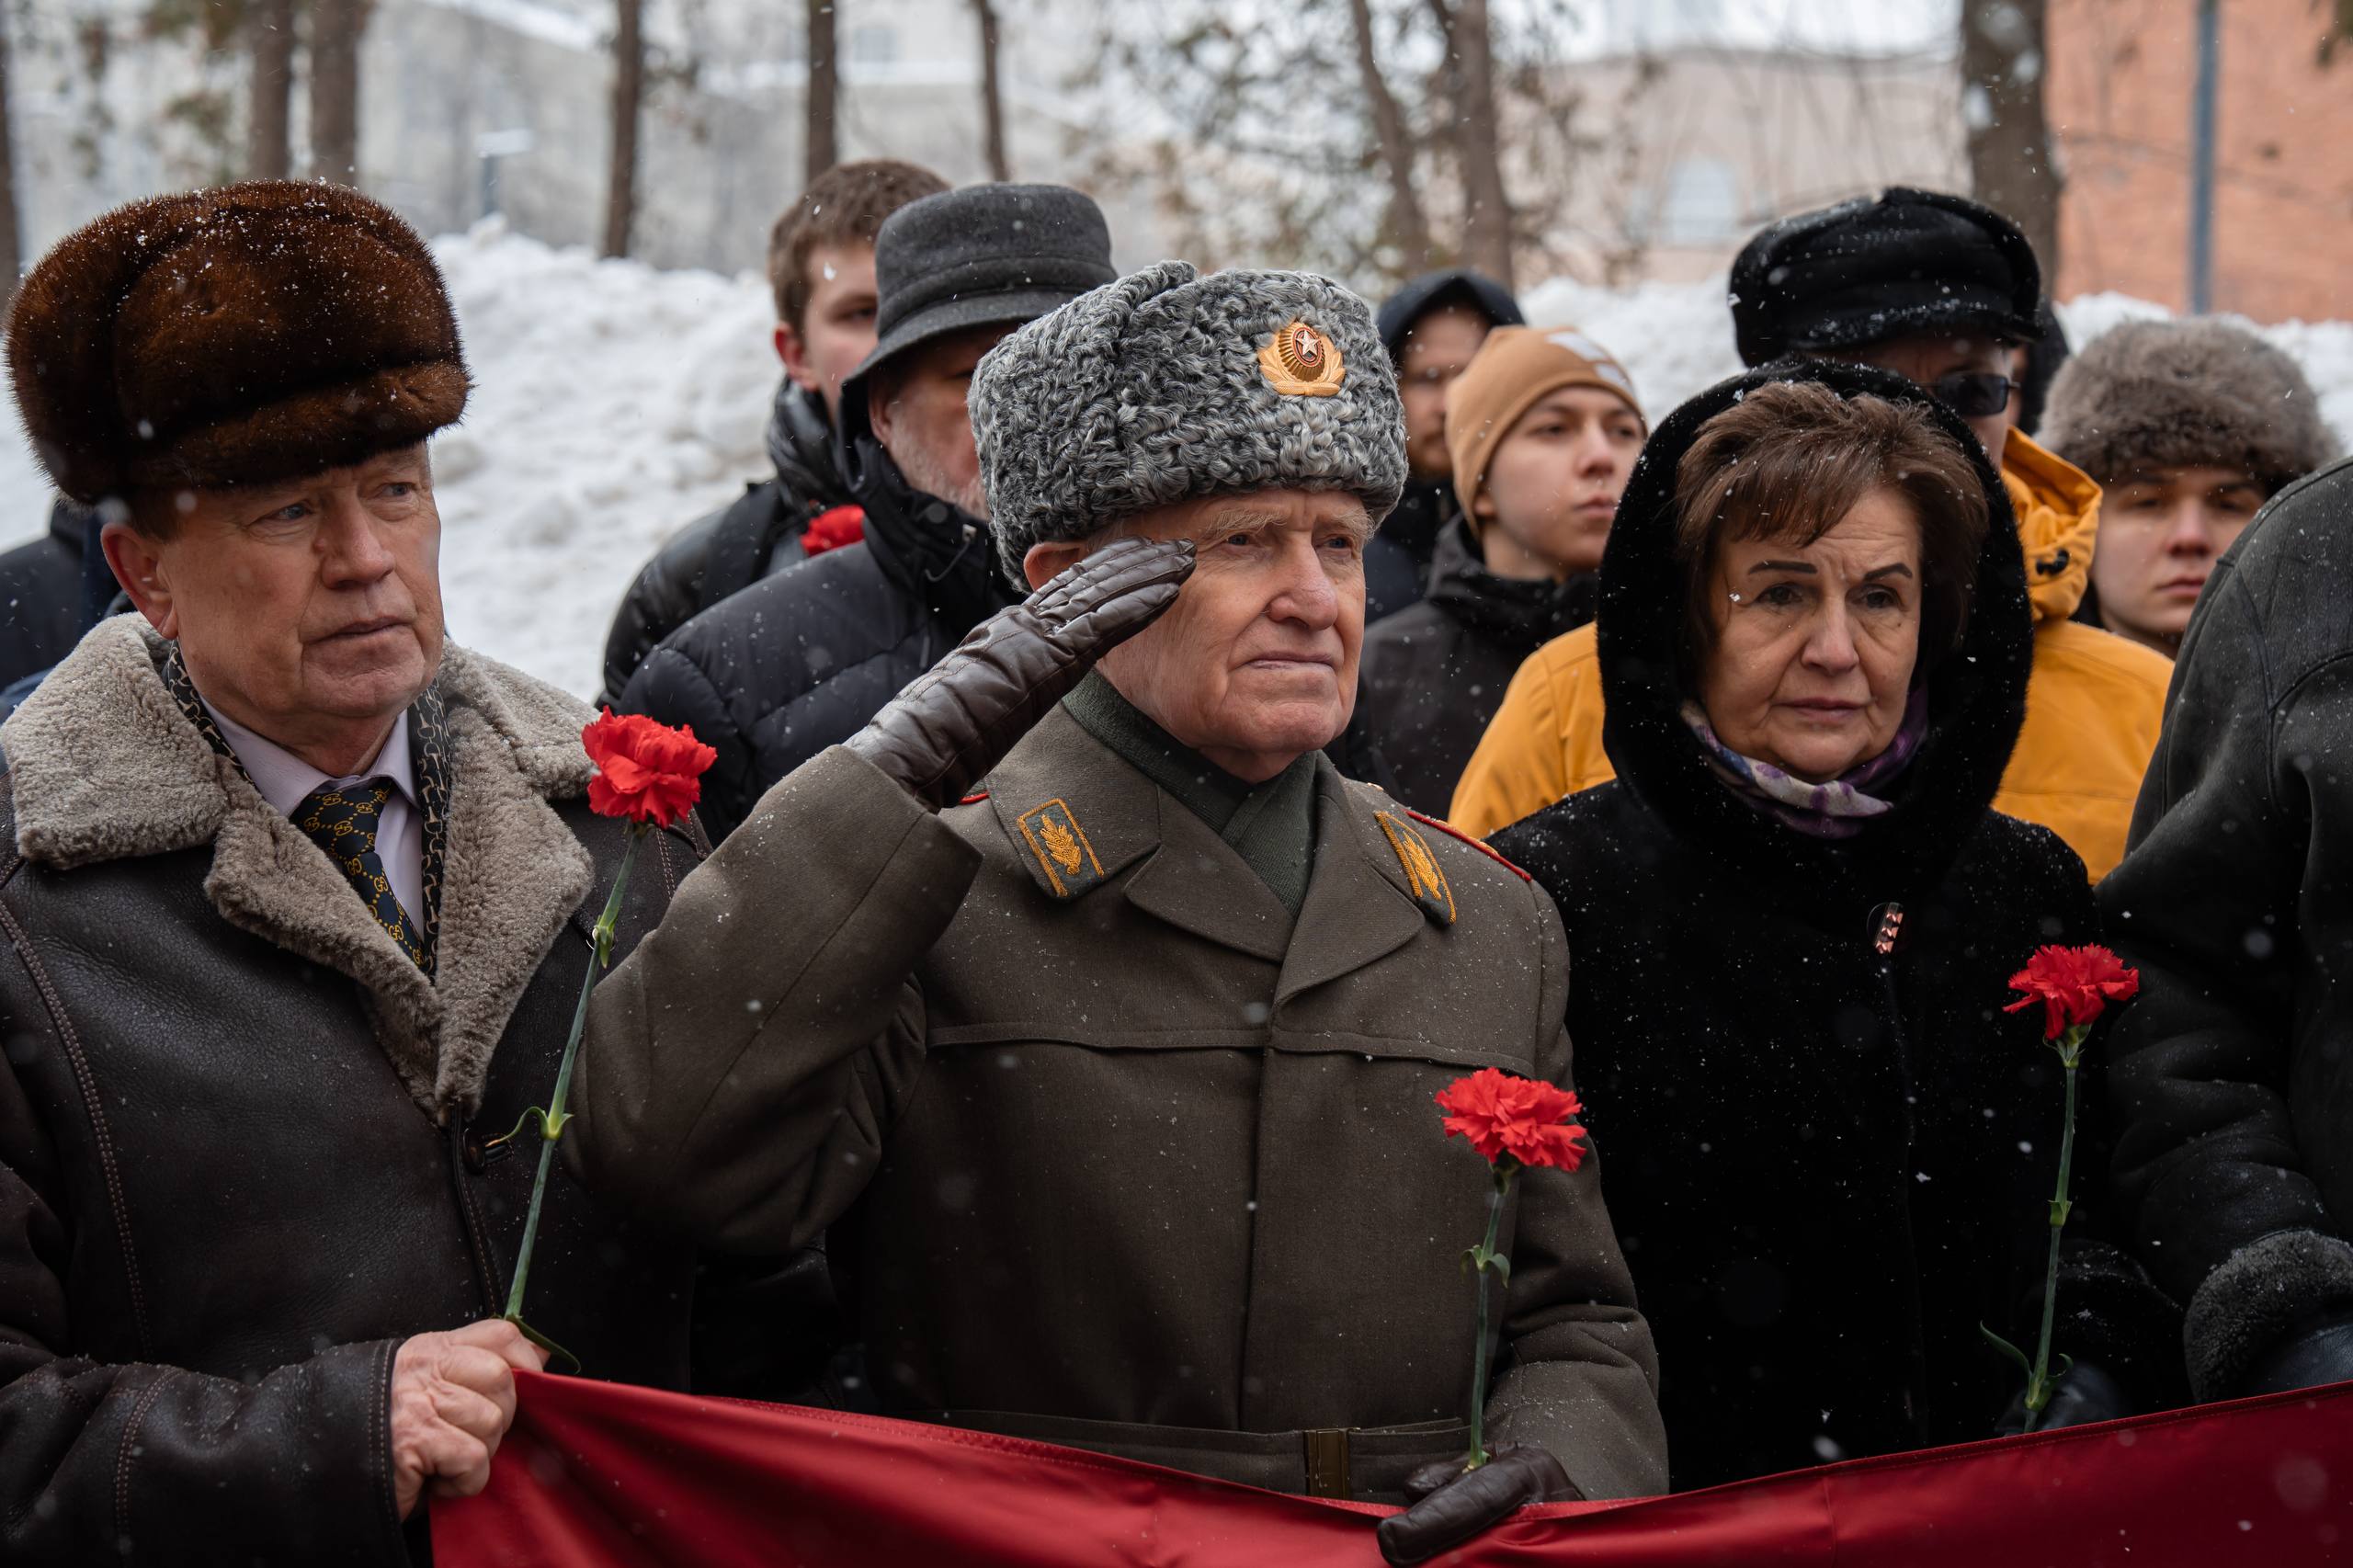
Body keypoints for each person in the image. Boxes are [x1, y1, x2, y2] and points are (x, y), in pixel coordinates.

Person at [569, 262, 1666, 1563]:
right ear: (1065, 586)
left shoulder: (1483, 918)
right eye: (1241, 541)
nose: (1315, 596)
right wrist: (885, 778)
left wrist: (1562, 1462)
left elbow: (1578, 1320)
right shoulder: (923, 887)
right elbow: (666, 1153)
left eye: (1338, 541)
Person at [0, 183, 704, 1562]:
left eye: (396, 489)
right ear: (145, 574)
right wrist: (327, 1436)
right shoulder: (27, 905)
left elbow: (768, 1290)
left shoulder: (618, 812)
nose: (368, 560)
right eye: (287, 512)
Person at [1490, 362, 2181, 1490]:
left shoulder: (2020, 884)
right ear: (1684, 620)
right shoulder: (1552, 893)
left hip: (1998, 1515)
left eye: (1880, 598)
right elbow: (1507, 1267)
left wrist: (2095, 1356)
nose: (1834, 647)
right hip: (1683, 1516)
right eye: (1776, 593)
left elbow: (2105, 1197)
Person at [1453, 189, 2173, 881]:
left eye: (1970, 389)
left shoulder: (2145, 707)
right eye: (1868, 389)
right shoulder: (1569, 700)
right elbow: (1477, 948)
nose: (1924, 425)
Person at [618, 183, 1117, 841]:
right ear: (884, 410)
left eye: (1068, 374)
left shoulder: (1224, 614)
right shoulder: (717, 678)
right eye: (976, 378)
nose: (1026, 414)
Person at [2098, 453, 2353, 1408]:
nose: (2185, 533)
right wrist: (2285, 1301)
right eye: (2146, 498)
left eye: (2219, 498)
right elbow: (2176, 1001)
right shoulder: (2310, 566)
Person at [597, 159, 949, 707]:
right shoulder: (699, 579)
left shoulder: (1058, 547)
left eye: (923, 303)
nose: (897, 338)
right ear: (798, 354)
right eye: (861, 312)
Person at [1358, 326, 1644, 813]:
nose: (1601, 457)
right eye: (1554, 429)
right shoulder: (1377, 674)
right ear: (1481, 483)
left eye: (1623, 431)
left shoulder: (1683, 655)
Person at [2041, 318, 2337, 657]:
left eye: (2229, 505)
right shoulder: (2015, 688)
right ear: (2079, 530)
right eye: (2148, 503)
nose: (2190, 537)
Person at [1368, 267, 1526, 620]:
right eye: (1428, 378)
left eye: (1472, 377)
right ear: (1385, 390)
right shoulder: (1338, 550)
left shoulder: (1558, 550)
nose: (1450, 405)